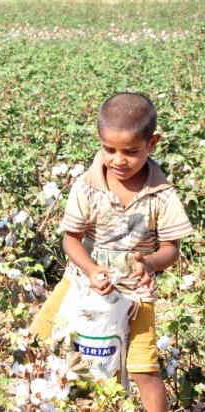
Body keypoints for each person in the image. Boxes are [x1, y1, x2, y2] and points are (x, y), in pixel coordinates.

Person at [29, 93, 194, 412]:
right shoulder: (87, 186)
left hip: (136, 297)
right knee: (41, 339)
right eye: (110, 150)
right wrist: (91, 270)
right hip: (81, 284)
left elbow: (171, 250)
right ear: (100, 142)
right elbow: (71, 240)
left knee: (142, 369)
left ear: (153, 143)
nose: (119, 160)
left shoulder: (162, 195)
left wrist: (149, 262)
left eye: (131, 152)